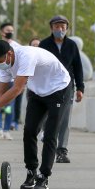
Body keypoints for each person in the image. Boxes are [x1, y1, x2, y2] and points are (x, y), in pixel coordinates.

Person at [0, 39, 70, 189]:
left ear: (9, 53)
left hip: (58, 88)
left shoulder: (26, 56)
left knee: (50, 134)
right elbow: (0, 91)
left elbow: (16, 89)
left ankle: (44, 176)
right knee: (29, 131)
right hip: (37, 91)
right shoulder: (6, 63)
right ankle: (31, 172)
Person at [39, 15, 85, 163]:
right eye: (57, 27)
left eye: (63, 27)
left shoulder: (71, 45)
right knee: (47, 115)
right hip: (49, 85)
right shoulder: (44, 45)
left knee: (65, 117)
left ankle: (62, 150)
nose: (60, 29)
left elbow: (78, 67)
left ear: (67, 29)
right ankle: (47, 141)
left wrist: (80, 88)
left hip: (67, 85)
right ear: (51, 28)